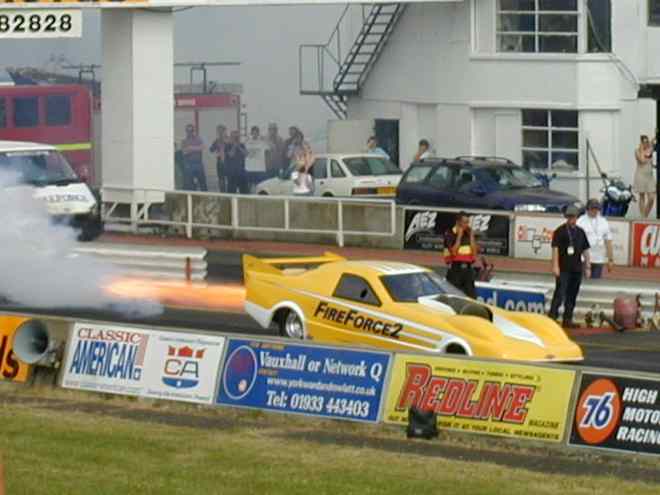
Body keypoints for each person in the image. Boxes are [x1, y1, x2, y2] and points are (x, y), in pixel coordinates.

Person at [549, 205, 591, 328]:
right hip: (563, 268)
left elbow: (585, 250)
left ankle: (568, 318)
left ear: (577, 217)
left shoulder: (580, 232)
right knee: (560, 293)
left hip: (576, 268)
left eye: (574, 217)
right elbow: (555, 249)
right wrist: (555, 265)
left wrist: (587, 266)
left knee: (572, 294)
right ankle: (552, 317)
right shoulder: (560, 231)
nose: (572, 219)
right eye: (570, 217)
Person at [443, 211, 478, 298]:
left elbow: (474, 253)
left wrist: (471, 236)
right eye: (464, 222)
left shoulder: (468, 233)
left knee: (471, 297)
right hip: (455, 270)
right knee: (453, 296)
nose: (467, 225)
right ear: (458, 222)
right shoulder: (450, 233)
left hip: (468, 270)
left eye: (468, 222)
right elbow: (453, 252)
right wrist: (459, 236)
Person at [577, 198, 614, 279]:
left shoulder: (603, 221)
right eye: (592, 208)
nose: (595, 210)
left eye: (597, 208)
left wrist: (610, 259)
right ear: (587, 209)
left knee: (596, 282)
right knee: (582, 282)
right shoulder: (580, 221)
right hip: (583, 259)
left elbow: (608, 241)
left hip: (598, 259)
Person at [635, 134, 657, 218]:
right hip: (640, 176)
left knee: (651, 198)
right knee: (642, 196)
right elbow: (642, 160)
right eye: (644, 142)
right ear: (641, 143)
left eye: (647, 142)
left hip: (650, 177)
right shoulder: (637, 151)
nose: (646, 143)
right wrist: (641, 149)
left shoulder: (650, 148)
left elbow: (653, 140)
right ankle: (643, 217)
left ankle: (645, 215)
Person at [180, 124, 208, 191]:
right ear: (186, 131)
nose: (190, 132)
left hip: (199, 163)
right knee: (190, 184)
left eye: (191, 130)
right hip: (189, 164)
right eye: (188, 130)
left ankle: (205, 196)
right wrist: (196, 148)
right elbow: (184, 152)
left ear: (193, 131)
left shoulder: (198, 138)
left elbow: (203, 147)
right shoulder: (184, 141)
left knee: (203, 182)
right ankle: (194, 196)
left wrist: (190, 148)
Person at [245, 125, 269, 192]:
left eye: (256, 132)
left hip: (260, 169)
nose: (255, 134)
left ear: (258, 133)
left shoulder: (262, 142)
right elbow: (244, 153)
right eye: (253, 132)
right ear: (251, 133)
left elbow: (271, 147)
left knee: (260, 188)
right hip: (249, 168)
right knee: (249, 187)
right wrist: (246, 140)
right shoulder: (247, 142)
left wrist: (265, 139)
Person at [209, 125, 227, 192]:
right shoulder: (216, 141)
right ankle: (222, 193)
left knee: (230, 179)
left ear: (225, 131)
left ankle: (230, 194)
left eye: (222, 131)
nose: (220, 132)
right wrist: (216, 149)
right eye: (219, 131)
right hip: (220, 162)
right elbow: (211, 149)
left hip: (228, 162)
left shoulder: (228, 139)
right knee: (221, 179)